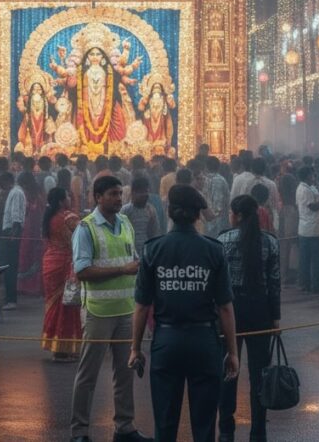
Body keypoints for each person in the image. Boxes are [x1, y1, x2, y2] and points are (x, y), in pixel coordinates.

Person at [130, 184, 239, 442]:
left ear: (169, 213)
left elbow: (142, 306)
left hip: (166, 342)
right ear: (197, 215)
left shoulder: (153, 250)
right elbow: (225, 306)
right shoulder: (213, 250)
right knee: (204, 426)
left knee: (165, 425)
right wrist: (232, 352)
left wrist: (135, 348)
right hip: (204, 343)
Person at [70, 175, 152, 442]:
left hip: (127, 309)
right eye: (113, 194)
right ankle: (80, 430)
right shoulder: (86, 228)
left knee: (125, 371)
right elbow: (81, 270)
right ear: (97, 197)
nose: (118, 198)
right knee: (88, 374)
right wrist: (122, 269)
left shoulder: (125, 222)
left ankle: (125, 426)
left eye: (120, 193)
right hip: (99, 311)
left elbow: (133, 258)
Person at [217, 195, 280, 442]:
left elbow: (217, 284)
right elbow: (275, 283)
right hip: (260, 310)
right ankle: (258, 430)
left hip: (229, 310)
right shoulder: (270, 242)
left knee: (228, 368)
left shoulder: (222, 241)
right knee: (259, 373)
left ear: (238, 215)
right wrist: (276, 319)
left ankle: (225, 428)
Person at [41, 187, 83, 361]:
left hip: (50, 263)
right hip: (65, 263)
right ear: (60, 201)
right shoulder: (69, 218)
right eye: (67, 195)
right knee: (68, 306)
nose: (70, 197)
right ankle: (67, 348)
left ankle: (56, 345)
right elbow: (84, 235)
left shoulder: (48, 217)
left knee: (55, 305)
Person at [296, 166, 319, 293]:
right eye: (313, 175)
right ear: (308, 175)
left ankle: (307, 284)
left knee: (307, 258)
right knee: (315, 259)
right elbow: (313, 207)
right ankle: (316, 286)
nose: (314, 177)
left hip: (309, 228)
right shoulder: (304, 189)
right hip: (311, 229)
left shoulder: (310, 187)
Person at [0, 172, 26, 310]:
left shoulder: (16, 193)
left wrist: (13, 234)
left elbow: (16, 215)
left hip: (12, 232)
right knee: (10, 266)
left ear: (7, 181)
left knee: (10, 266)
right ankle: (10, 297)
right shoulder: (14, 192)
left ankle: (11, 299)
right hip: (11, 231)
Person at [17, 171, 45, 297]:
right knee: (31, 256)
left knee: (26, 256)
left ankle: (26, 286)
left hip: (28, 229)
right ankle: (30, 286)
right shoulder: (36, 194)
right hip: (34, 228)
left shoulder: (28, 195)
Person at [120, 176, 161, 256]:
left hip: (146, 250)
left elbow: (155, 233)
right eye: (141, 192)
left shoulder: (151, 210)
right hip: (129, 251)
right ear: (133, 193)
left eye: (146, 191)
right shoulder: (126, 210)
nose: (144, 195)